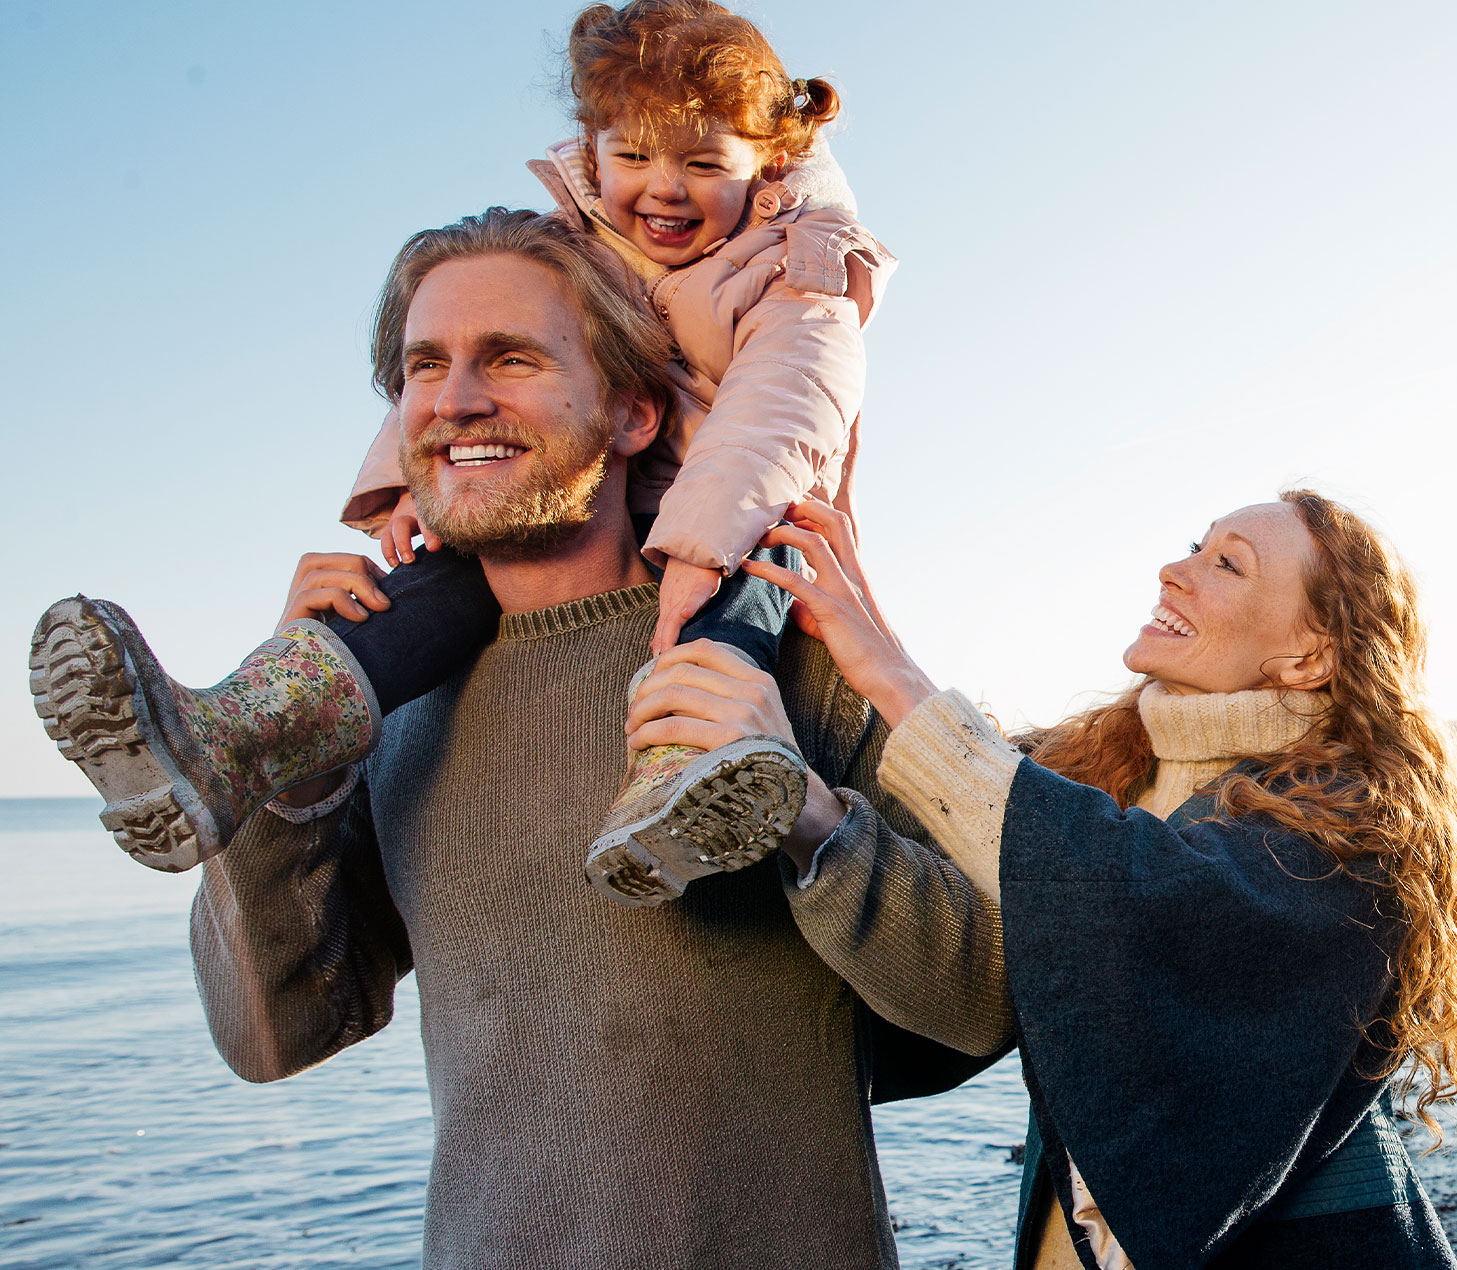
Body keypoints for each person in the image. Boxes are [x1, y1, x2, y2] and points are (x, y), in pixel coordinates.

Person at [40, 209, 1005, 1268]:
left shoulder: (783, 657)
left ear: (634, 414)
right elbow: (268, 1035)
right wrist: (295, 773)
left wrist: (813, 823)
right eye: (425, 366)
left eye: (509, 357)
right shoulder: (385, 702)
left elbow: (981, 1008)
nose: (456, 399)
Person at [30, 0, 892, 907]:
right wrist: (420, 482)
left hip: (746, 517)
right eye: (633, 155)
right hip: (586, 499)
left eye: (703, 161)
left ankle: (686, 779)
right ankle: (233, 741)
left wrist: (701, 540)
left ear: (769, 165)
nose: (665, 187)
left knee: (732, 609)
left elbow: (781, 411)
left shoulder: (798, 265)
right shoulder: (568, 250)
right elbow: (452, 368)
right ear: (592, 151)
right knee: (435, 581)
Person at [693, 490, 1457, 1268]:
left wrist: (895, 674)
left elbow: (1150, 898)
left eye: (1228, 564)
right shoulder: (1099, 773)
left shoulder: (1358, 823)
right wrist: (810, 814)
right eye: (1195, 546)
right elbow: (980, 978)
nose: (1176, 569)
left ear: (1309, 656)